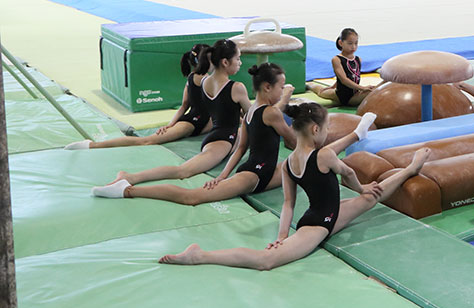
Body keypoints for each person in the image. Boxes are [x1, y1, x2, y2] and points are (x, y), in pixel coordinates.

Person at [158, 102, 425, 270]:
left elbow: (289, 204)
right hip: (317, 225)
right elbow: (348, 172)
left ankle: (407, 167)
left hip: (326, 214)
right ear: (316, 130)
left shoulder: (288, 164)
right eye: (328, 126)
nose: (329, 131)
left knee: (370, 198)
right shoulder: (324, 156)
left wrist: (283, 233)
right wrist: (362, 187)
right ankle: (200, 255)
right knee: (266, 261)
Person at [93, 63, 301, 203]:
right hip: (253, 176)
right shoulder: (271, 113)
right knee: (191, 197)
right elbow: (291, 140)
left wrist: (221, 176)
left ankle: (129, 180)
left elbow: (240, 149)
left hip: (264, 171)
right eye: (281, 87)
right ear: (267, 87)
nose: (283, 91)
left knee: (305, 163)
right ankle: (127, 190)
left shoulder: (251, 112)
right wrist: (223, 178)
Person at [90, 39, 250, 192]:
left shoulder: (205, 82)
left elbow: (225, 109)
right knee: (183, 171)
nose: (240, 63)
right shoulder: (237, 87)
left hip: (217, 135)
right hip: (222, 141)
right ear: (225, 62)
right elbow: (252, 117)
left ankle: (111, 161)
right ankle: (131, 177)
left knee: (239, 132)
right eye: (238, 58)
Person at [67, 44, 213, 150]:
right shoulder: (206, 79)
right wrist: (171, 126)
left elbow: (184, 105)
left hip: (199, 122)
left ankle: (93, 145)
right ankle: (92, 145)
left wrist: (170, 124)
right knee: (146, 141)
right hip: (191, 124)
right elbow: (188, 106)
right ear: (204, 61)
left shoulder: (192, 77)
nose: (214, 63)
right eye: (211, 60)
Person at [308, 28, 372, 106]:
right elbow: (344, 79)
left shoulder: (358, 59)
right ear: (341, 43)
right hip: (344, 97)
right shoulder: (337, 59)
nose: (353, 47)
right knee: (320, 91)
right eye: (350, 43)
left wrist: (333, 86)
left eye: (356, 43)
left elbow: (349, 75)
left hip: (356, 92)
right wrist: (362, 88)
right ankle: (309, 85)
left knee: (374, 89)